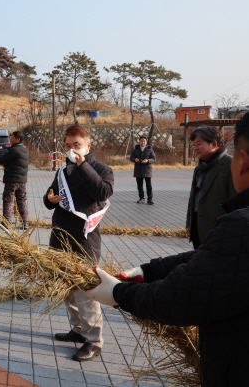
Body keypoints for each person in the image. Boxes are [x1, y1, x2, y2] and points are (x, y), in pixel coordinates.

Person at [84, 113, 249, 386]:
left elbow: (177, 299)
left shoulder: (240, 225)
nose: (195, 147)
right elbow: (217, 259)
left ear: (243, 161)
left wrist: (117, 293)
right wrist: (148, 270)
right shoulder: (235, 231)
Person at [43, 124, 114, 362]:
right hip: (60, 237)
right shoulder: (64, 171)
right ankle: (77, 329)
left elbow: (103, 192)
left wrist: (83, 164)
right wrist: (49, 199)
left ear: (88, 145)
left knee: (86, 293)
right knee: (68, 291)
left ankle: (94, 341)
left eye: (77, 145)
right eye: (68, 146)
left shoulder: (102, 169)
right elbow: (49, 197)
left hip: (84, 242)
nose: (72, 149)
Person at [186, 127, 236, 249]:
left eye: (199, 144)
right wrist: (189, 223)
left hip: (220, 231)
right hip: (197, 228)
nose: (195, 148)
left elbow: (236, 203)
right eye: (194, 144)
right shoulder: (200, 167)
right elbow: (193, 197)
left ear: (214, 144)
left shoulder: (230, 164)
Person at [0, 131, 30, 229]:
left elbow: (2, 159)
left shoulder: (14, 150)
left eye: (12, 137)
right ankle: (26, 222)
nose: (10, 139)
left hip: (12, 180)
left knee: (8, 200)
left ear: (18, 139)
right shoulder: (25, 149)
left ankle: (7, 222)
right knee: (21, 201)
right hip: (22, 181)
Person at [131, 136, 156, 205]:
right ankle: (141, 198)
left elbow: (154, 158)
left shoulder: (150, 150)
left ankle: (150, 199)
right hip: (138, 170)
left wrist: (148, 160)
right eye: (141, 141)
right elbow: (131, 158)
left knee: (149, 185)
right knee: (140, 186)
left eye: (144, 141)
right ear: (139, 142)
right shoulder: (135, 150)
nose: (143, 142)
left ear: (146, 142)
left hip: (147, 170)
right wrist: (135, 160)